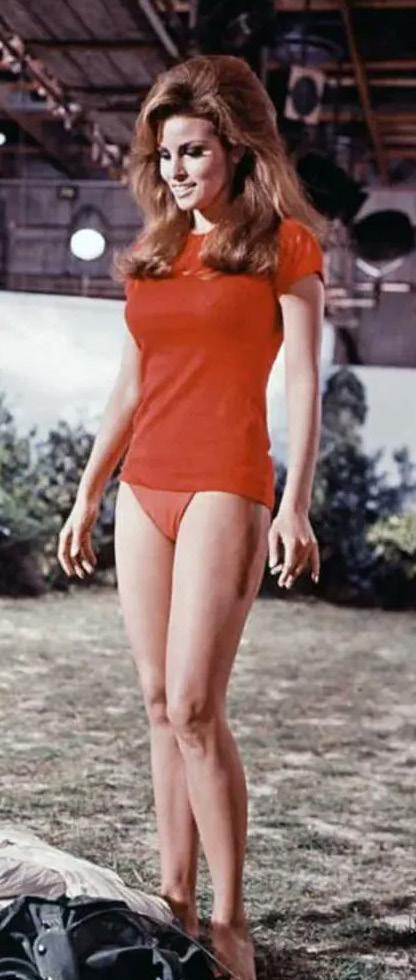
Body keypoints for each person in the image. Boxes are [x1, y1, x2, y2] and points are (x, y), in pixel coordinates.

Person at [57, 54, 325, 980]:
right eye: (167, 152)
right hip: (147, 485)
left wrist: (296, 502)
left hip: (227, 484)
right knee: (158, 703)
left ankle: (230, 918)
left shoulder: (285, 245)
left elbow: (303, 382)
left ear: (236, 150)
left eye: (195, 150)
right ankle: (172, 902)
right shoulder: (155, 255)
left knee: (199, 706)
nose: (176, 168)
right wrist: (90, 490)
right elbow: (130, 385)